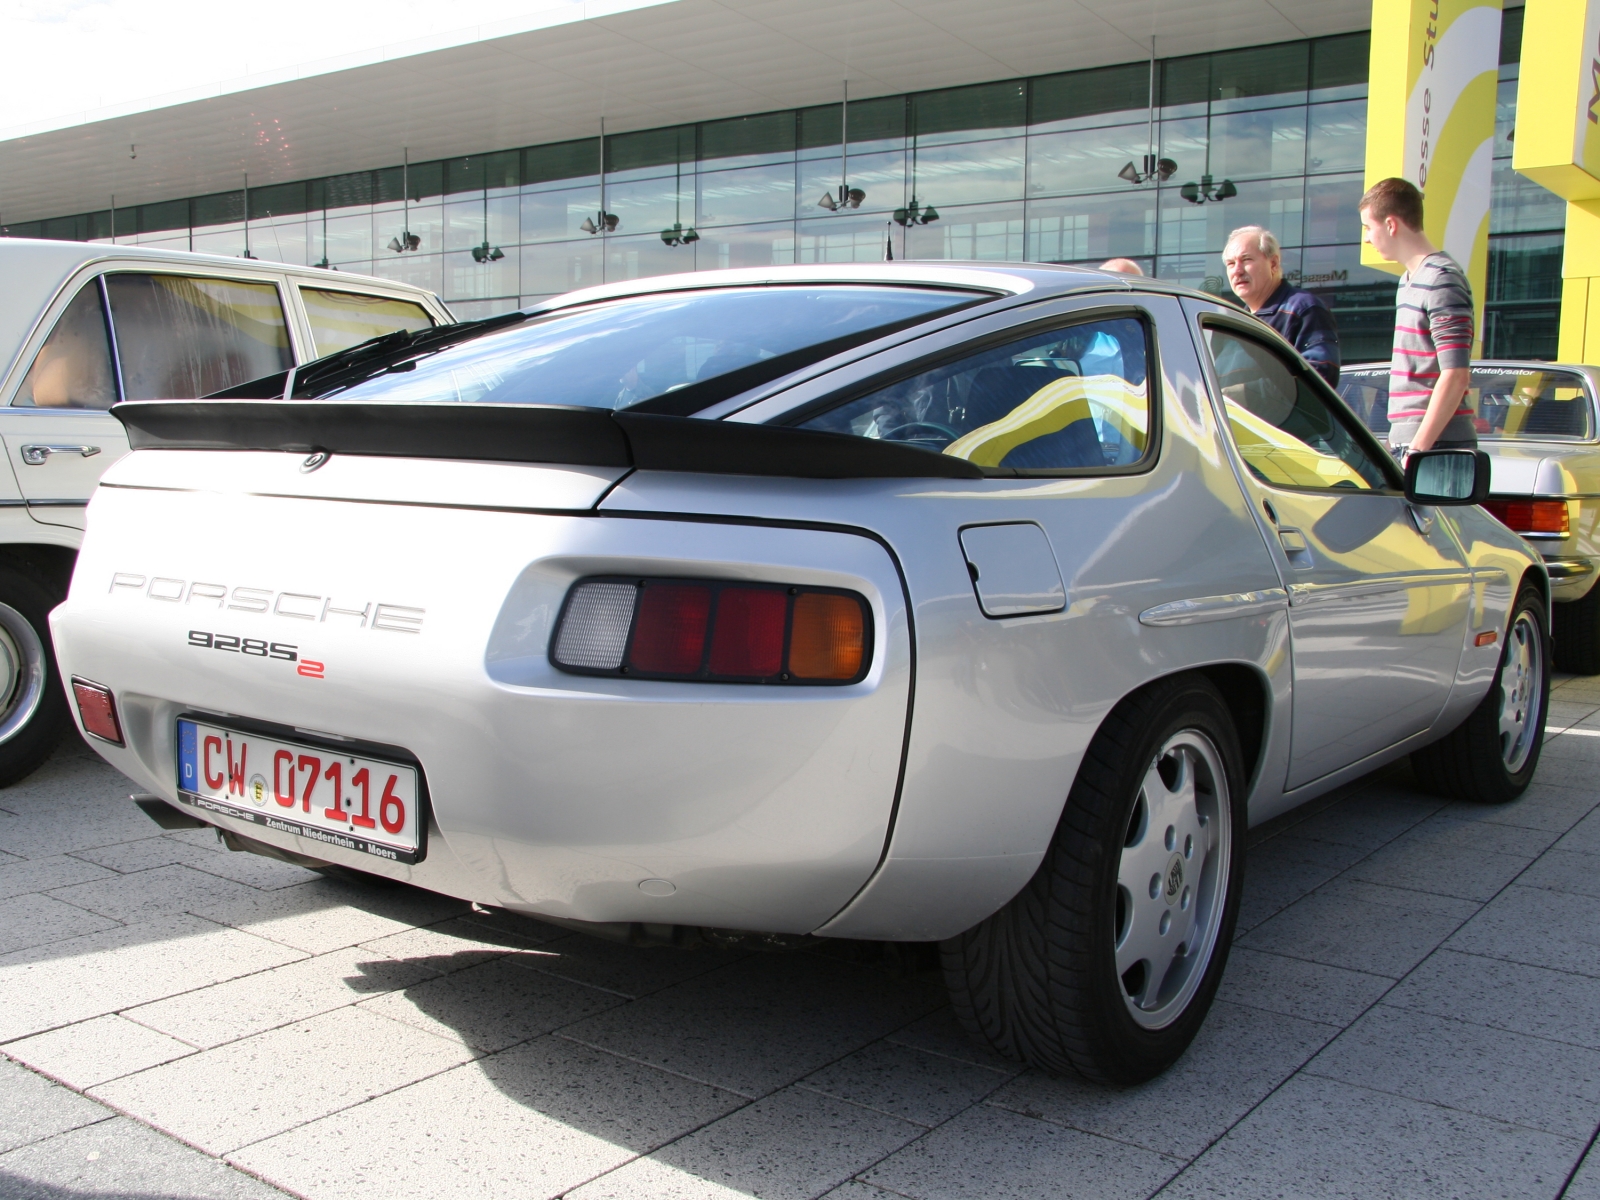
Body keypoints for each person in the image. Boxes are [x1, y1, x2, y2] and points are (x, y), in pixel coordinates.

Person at [1358, 177, 1476, 455]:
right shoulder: (1409, 280)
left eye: (1368, 227)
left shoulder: (1441, 279)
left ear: (1390, 225)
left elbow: (1456, 375)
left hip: (1437, 447)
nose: (1365, 238)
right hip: (1411, 443)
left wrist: (1417, 448)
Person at [1221, 226, 1341, 387]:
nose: (1237, 270)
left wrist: (1242, 395)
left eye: (1246, 259)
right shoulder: (1231, 323)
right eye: (1230, 263)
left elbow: (1320, 379)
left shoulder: (1304, 309)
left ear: (1274, 263)